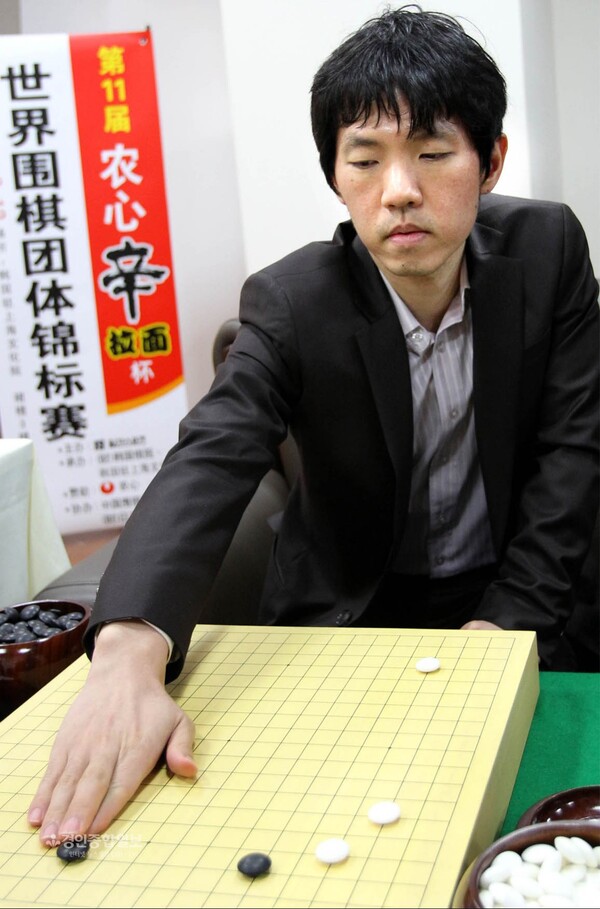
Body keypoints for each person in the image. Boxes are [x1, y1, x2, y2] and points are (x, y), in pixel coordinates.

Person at [28, 4, 598, 847]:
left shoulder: (549, 251)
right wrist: (126, 652)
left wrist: (503, 622)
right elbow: (213, 453)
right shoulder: (293, 303)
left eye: (432, 153)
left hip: (517, 586)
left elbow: (572, 454)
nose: (398, 191)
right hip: (360, 611)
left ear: (491, 161)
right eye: (364, 160)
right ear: (336, 176)